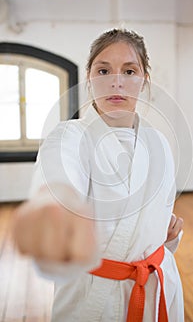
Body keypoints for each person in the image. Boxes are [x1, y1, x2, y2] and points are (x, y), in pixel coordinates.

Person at [12, 28, 184, 322]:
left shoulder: (159, 143)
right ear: (89, 79)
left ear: (144, 81)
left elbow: (154, 217)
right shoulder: (67, 137)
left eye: (129, 71)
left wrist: (161, 230)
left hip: (157, 285)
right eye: (104, 70)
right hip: (95, 297)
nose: (116, 81)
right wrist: (53, 214)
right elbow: (58, 187)